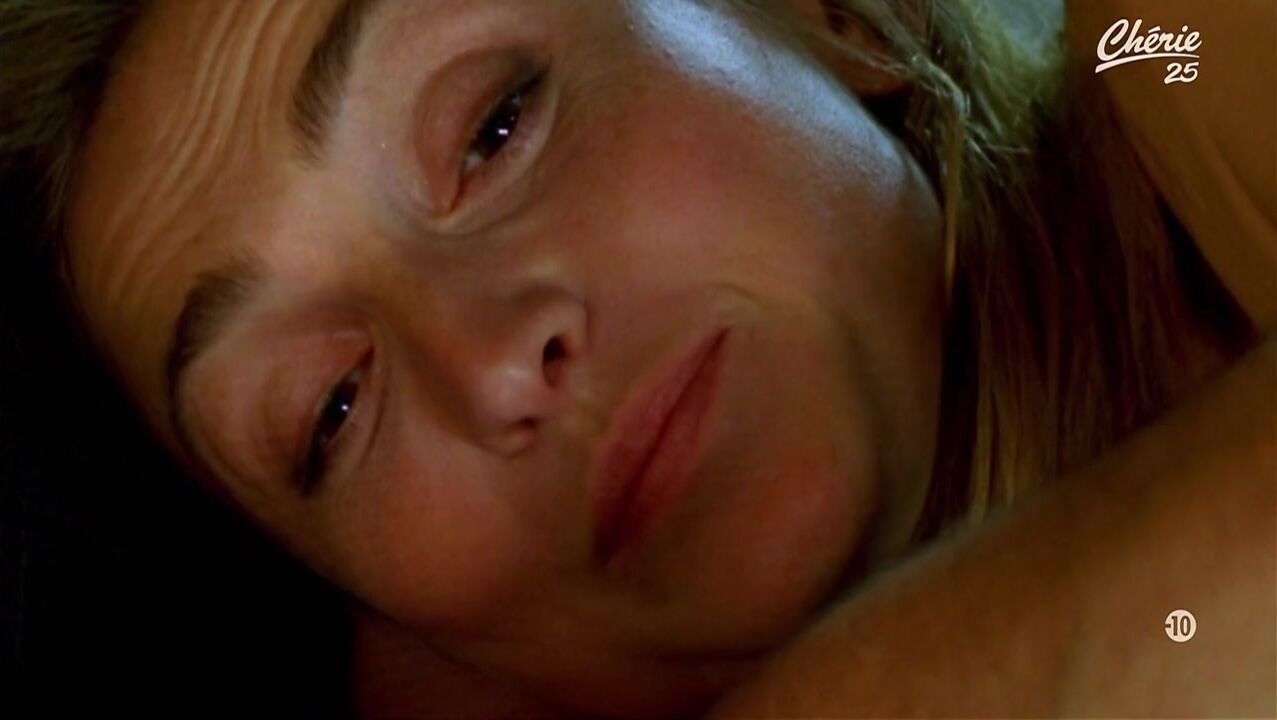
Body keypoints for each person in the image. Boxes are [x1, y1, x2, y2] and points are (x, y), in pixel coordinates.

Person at [0, 0, 1270, 717]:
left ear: (839, 16)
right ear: (406, 663)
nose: (492, 367)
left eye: (496, 126)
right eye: (331, 411)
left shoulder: (1179, 46)